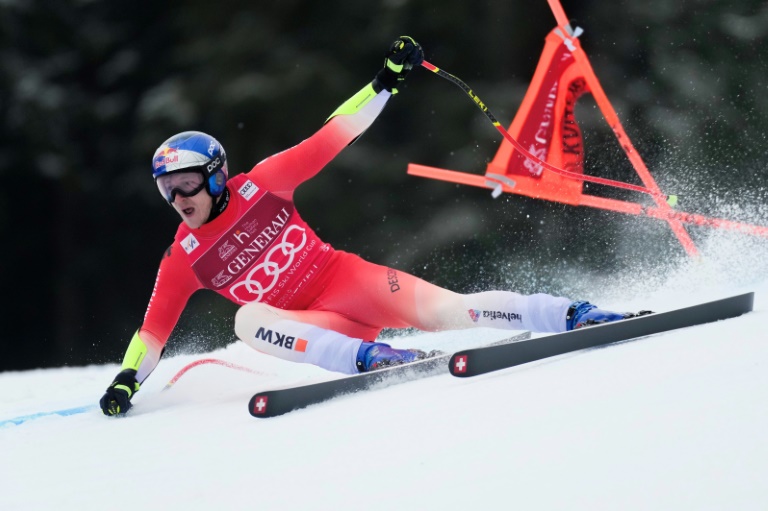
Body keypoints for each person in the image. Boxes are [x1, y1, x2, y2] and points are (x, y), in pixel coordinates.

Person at [100, 37, 637, 416]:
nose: (177, 199)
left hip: (348, 282)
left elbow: (334, 133)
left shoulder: (261, 184)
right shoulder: (183, 256)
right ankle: (371, 357)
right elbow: (152, 333)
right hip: (321, 332)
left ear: (216, 178)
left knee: (449, 310)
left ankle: (574, 314)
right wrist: (127, 381)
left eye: (186, 184)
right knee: (247, 319)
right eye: (166, 190)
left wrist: (385, 83)